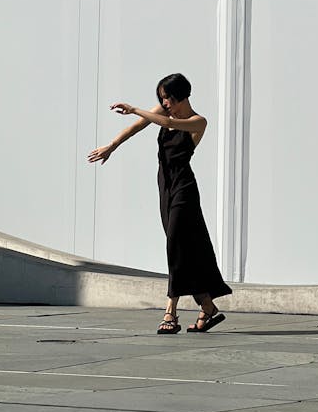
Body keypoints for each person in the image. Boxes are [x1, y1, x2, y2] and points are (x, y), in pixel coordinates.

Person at [88, 72, 232, 335]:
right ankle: (208, 308)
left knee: (174, 243)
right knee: (182, 247)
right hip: (164, 185)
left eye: (168, 98)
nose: (165, 103)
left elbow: (167, 122)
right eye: (162, 98)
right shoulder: (161, 113)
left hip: (184, 187)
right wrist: (111, 145)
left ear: (182, 96)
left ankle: (170, 311)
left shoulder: (198, 122)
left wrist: (134, 109)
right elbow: (135, 128)